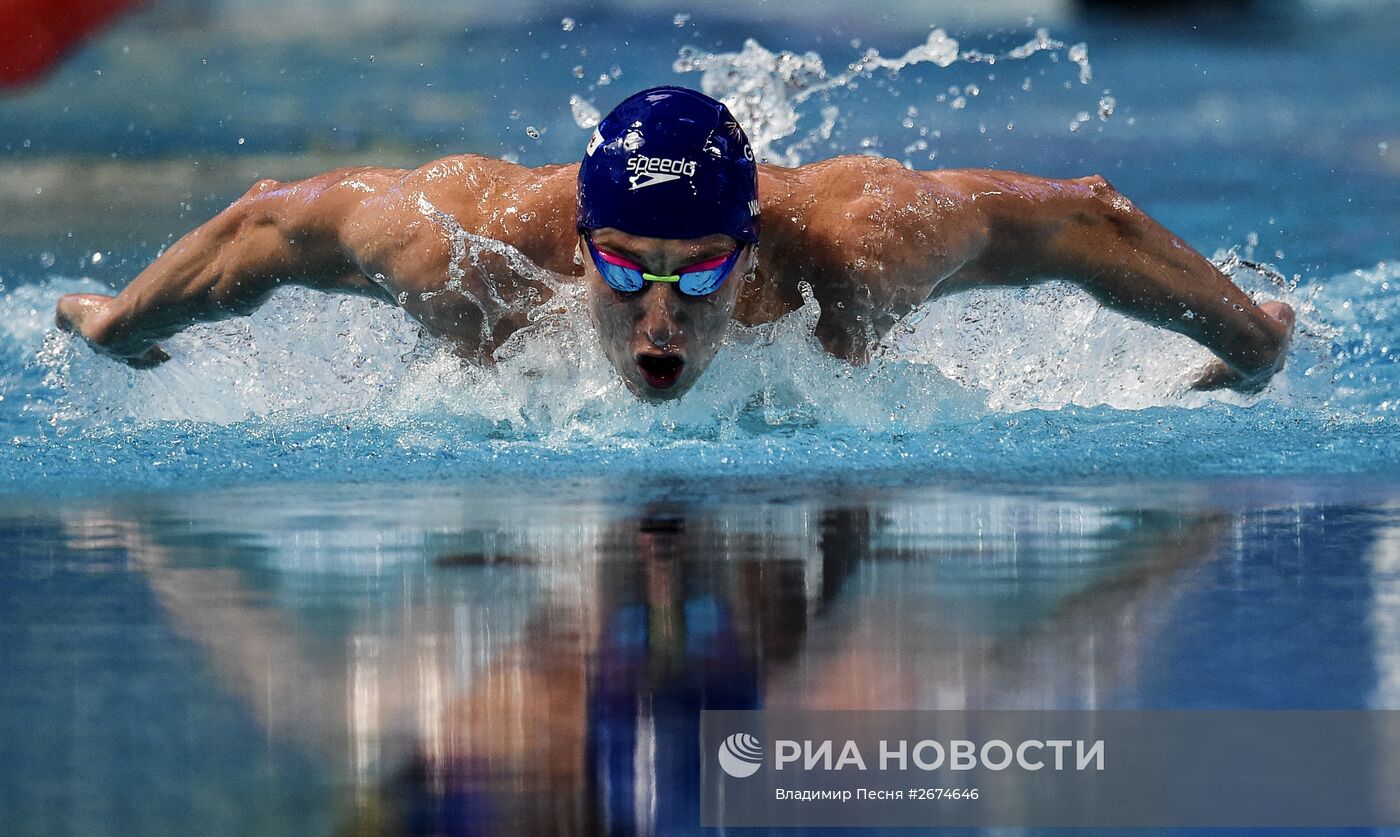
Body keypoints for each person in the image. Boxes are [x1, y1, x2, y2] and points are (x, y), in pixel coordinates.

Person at [56, 85, 1294, 401]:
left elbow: (1080, 219)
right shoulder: (467, 248)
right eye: (626, 268)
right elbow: (269, 225)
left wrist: (1247, 340)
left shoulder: (860, 244)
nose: (661, 316)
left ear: (751, 250)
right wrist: (123, 324)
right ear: (582, 236)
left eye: (700, 270)